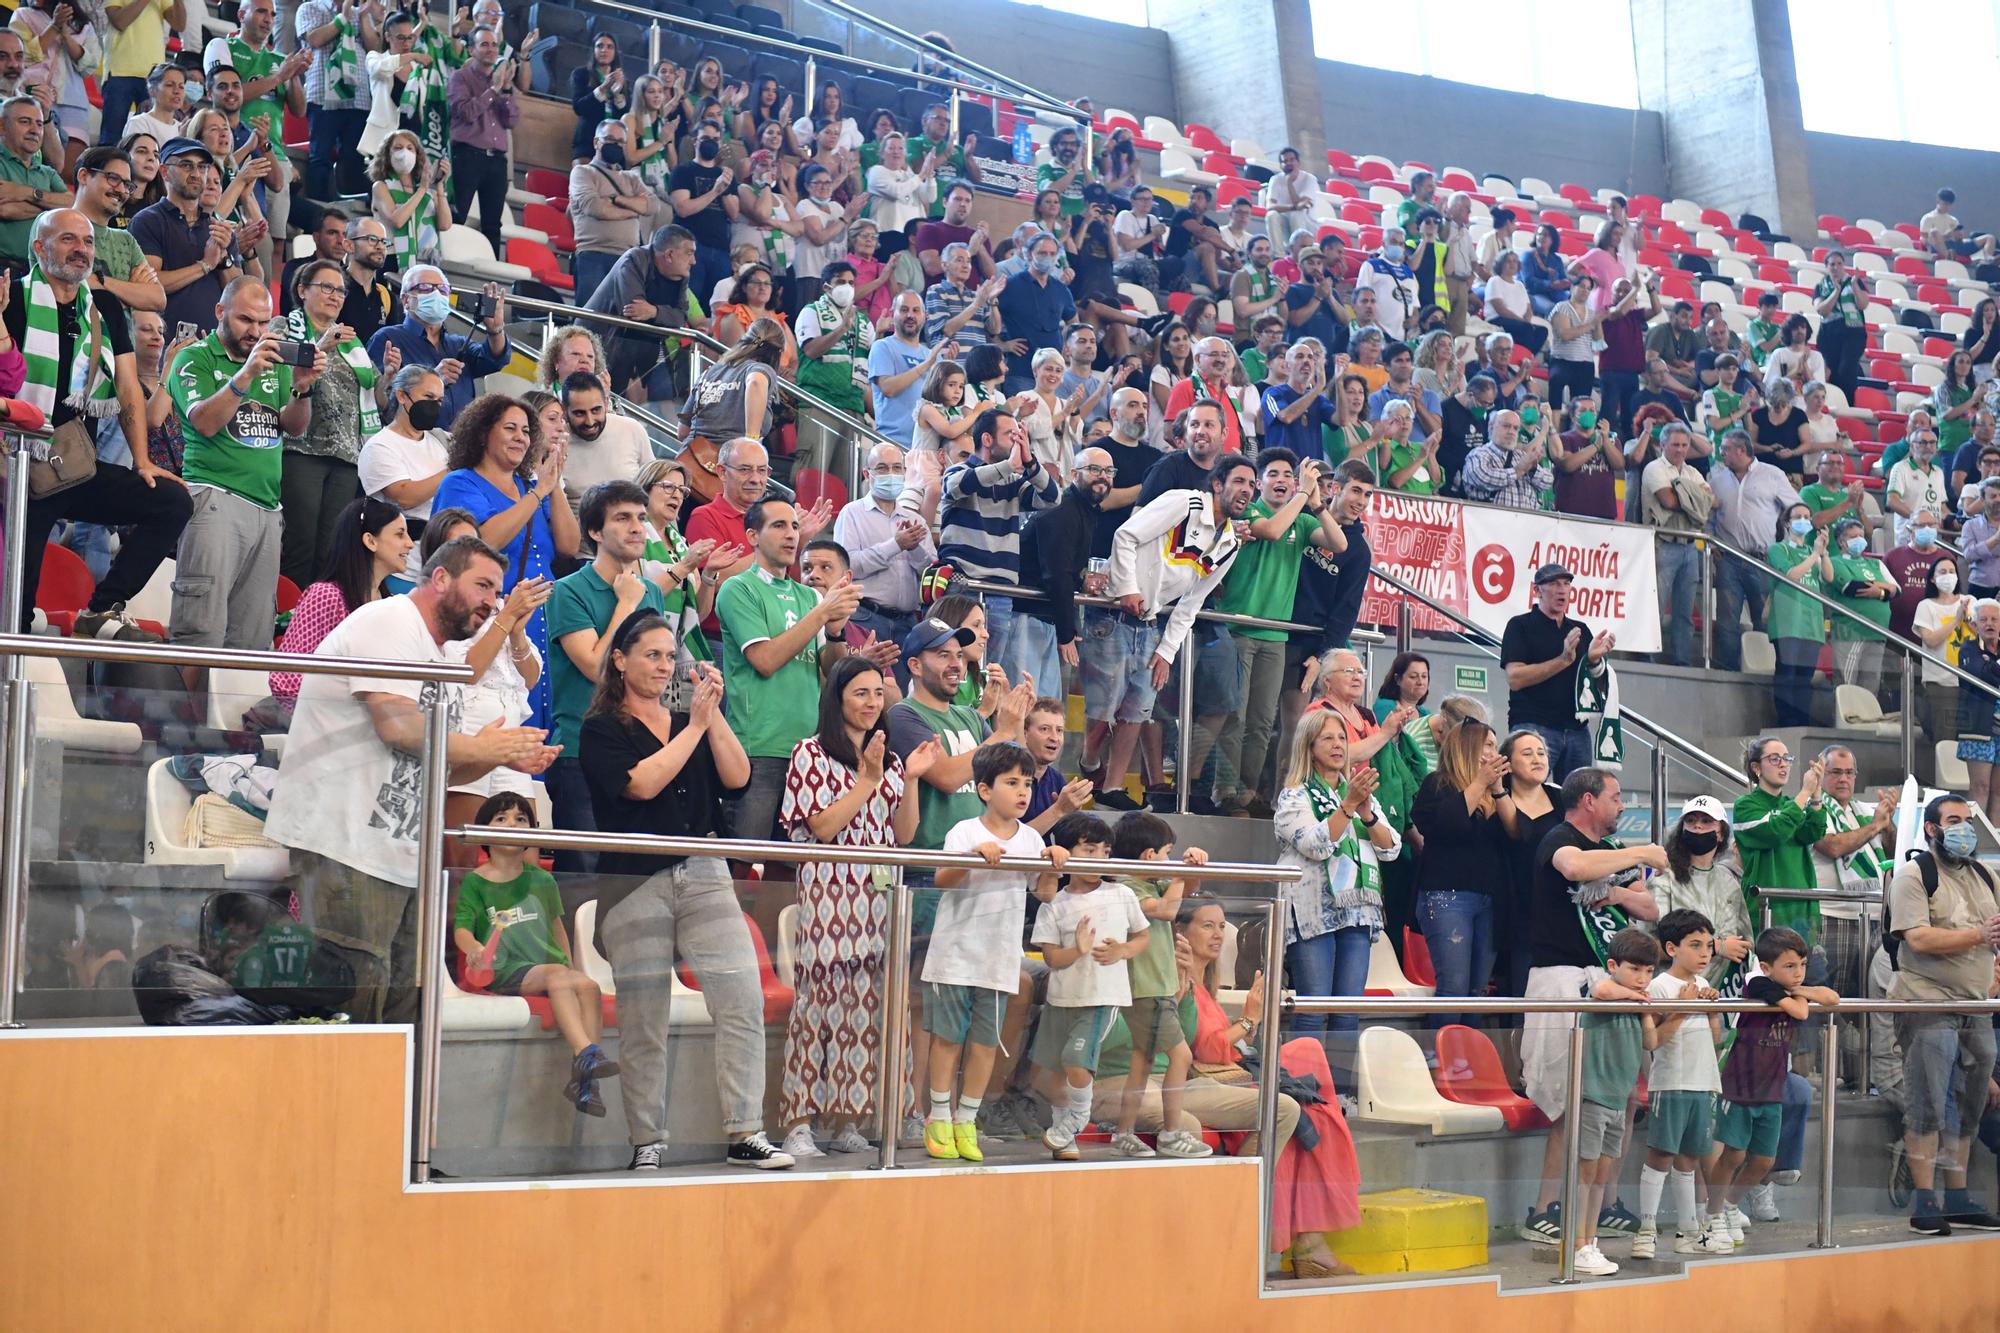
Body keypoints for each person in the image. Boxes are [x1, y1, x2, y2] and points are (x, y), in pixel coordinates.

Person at [263, 535, 558, 1023]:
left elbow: (442, 766)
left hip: (402, 856)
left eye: (497, 590)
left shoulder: (444, 657)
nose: (492, 601)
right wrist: (487, 747)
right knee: (352, 1009)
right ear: (440, 578)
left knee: (404, 1014)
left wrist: (500, 759)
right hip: (347, 847)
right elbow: (398, 728)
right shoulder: (389, 621)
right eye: (482, 585)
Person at [577, 610, 795, 1171]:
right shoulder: (601, 728)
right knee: (644, 1018)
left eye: (669, 656)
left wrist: (710, 716)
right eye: (651, 654)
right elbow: (641, 784)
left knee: (741, 997)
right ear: (620, 661)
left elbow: (738, 776)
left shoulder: (690, 717)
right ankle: (646, 1140)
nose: (663, 665)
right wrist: (694, 727)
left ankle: (744, 1131)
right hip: (634, 882)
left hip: (703, 869)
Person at [776, 655, 934, 1159]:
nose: (871, 704)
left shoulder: (886, 759)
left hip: (879, 901)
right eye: (860, 694)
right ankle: (799, 1123)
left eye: (876, 694)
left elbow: (903, 836)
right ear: (838, 699)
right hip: (829, 895)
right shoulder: (810, 753)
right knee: (818, 1009)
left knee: (869, 1012)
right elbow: (821, 828)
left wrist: (906, 779)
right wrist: (865, 781)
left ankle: (849, 1119)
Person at [8, 207, 189, 637]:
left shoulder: (103, 305)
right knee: (15, 608)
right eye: (68, 239)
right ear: (39, 247)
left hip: (76, 466)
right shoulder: (12, 297)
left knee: (172, 502)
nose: (81, 250)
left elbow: (128, 387)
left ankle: (102, 608)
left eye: (87, 242)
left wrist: (142, 461)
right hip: (19, 471)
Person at [1517, 768, 1664, 1247]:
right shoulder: (1557, 836)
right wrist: (1641, 852)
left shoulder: (1612, 857)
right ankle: (1545, 1207)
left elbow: (1650, 911)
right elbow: (1576, 870)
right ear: (1587, 801)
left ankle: (1600, 1205)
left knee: (1618, 1095)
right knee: (1569, 1101)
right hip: (1561, 978)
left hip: (1609, 979)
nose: (1622, 807)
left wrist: (1616, 890)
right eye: (1616, 798)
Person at [923, 743, 1067, 1162]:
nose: (1022, 792)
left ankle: (967, 1119)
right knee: (948, 1040)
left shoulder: (1031, 837)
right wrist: (973, 859)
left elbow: (1043, 893)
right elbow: (942, 880)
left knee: (986, 1044)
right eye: (1011, 783)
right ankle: (939, 1117)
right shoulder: (965, 831)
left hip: (999, 958)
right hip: (956, 954)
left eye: (1026, 783)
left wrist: (1052, 866)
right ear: (985, 790)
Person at [165, 274, 325, 647]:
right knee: (199, 630)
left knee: (252, 637)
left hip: (267, 509)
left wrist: (303, 388)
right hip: (214, 499)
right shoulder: (194, 357)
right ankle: (188, 707)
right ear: (220, 311)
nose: (256, 331)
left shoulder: (278, 361)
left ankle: (231, 708)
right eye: (245, 320)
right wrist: (247, 373)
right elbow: (204, 422)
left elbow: (294, 428)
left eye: (263, 322)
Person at [452, 792, 613, 1116]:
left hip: (548, 967)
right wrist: (475, 950)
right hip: (505, 969)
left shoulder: (541, 879)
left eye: (520, 819)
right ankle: (587, 1053)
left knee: (589, 986)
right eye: (501, 819)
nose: (512, 824)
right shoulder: (475, 882)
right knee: (558, 976)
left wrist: (569, 965)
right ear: (483, 831)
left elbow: (556, 925)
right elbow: (462, 929)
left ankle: (584, 1083)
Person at [1105, 454, 1254, 802]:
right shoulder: (1183, 502)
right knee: (1104, 708)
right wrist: (1127, 587)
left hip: (1148, 620)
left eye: (1251, 484)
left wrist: (1166, 652)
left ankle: (1111, 787)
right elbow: (1125, 535)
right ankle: (1090, 762)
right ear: (1217, 484)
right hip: (1110, 608)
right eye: (1239, 481)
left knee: (1138, 705)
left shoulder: (1231, 541)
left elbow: (1192, 602)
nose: (1247, 490)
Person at [433, 393, 582, 725]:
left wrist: (552, 481)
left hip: (540, 618)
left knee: (540, 718)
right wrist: (537, 492)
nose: (521, 437)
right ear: (484, 433)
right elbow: (483, 541)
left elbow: (569, 546)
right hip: (490, 617)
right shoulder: (460, 482)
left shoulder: (531, 485)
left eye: (527, 431)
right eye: (511, 428)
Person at [1888, 794, 2000, 1234]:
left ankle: (1957, 1197)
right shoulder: (1913, 876)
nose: (1965, 829)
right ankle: (1924, 1201)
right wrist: (1977, 935)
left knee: (1968, 1107)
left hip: (1975, 1003)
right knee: (1928, 1106)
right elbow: (1917, 940)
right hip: (1926, 1001)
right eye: (1954, 821)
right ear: (1931, 829)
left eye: (1969, 821)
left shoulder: (1985, 875)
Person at [544, 479, 668, 869]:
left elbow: (655, 674)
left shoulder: (653, 590)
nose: (637, 527)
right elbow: (597, 668)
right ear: (595, 532)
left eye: (641, 518)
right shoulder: (568, 591)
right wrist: (626, 604)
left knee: (635, 879)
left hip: (641, 752)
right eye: (622, 518)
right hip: (581, 751)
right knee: (584, 880)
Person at [1213, 449, 1343, 814]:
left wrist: (1316, 504)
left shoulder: (1302, 522)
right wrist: (1304, 492)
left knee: (1260, 722)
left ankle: (1245, 793)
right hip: (1239, 627)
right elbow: (1271, 531)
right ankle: (1222, 790)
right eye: (1274, 474)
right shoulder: (1249, 512)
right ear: (1259, 483)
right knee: (1234, 716)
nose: (1283, 480)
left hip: (1275, 637)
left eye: (1289, 474)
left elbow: (1340, 544)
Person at [1027, 809, 1152, 1164]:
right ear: (1065, 852)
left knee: (1075, 1062)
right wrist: (1077, 950)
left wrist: (1123, 950)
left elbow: (1142, 937)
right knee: (1045, 1073)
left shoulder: (1121, 893)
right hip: (1061, 999)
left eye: (1105, 852)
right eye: (1089, 850)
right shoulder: (1055, 903)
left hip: (1101, 997)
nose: (1099, 858)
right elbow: (1051, 958)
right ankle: (1064, 1134)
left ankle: (1078, 1121)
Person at [1703, 927, 1840, 1249]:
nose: (1798, 973)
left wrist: (1800, 988)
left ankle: (1732, 1205)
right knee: (1733, 1154)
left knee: (1764, 1160)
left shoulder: (1789, 987)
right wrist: (1803, 993)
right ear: (1766, 967)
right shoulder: (1759, 984)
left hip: (1772, 1089)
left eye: (1802, 965)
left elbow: (1831, 998)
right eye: (1789, 966)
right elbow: (1801, 1011)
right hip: (1741, 1086)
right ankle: (1713, 1213)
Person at [1276, 705, 1400, 1038]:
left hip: (1358, 913)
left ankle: (1340, 1091)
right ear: (1309, 746)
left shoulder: (1362, 795)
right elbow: (1314, 844)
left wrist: (1367, 814)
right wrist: (1347, 807)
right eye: (1327, 738)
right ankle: (1303, 1090)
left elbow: (1391, 848)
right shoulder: (1294, 796)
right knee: (1313, 1010)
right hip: (1314, 911)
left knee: (1347, 1014)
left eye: (1342, 737)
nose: (1337, 744)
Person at [278, 257, 392, 588]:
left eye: (340, 290)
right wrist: (319, 346)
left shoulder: (351, 343)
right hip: (301, 449)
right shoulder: (283, 327)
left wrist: (390, 377)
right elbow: (279, 373)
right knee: (299, 544)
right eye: (326, 287)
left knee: (331, 550)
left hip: (347, 458)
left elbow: (379, 399)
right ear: (302, 290)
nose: (335, 295)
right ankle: (284, 623)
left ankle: (316, 620)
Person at [1563, 926, 1660, 1278]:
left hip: (1619, 1101)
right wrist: (1636, 998)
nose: (1642, 978)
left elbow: (1650, 1043)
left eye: (1649, 971)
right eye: (1635, 969)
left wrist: (1645, 1008)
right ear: (1613, 964)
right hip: (1593, 1096)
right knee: (1586, 1175)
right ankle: (1576, 1246)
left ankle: (1589, 1242)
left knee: (1602, 1176)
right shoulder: (1606, 991)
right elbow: (1601, 988)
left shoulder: (1636, 1002)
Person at [1634, 911, 1726, 1257]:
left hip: (1703, 1081)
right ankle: (1646, 1229)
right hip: (1671, 1083)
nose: (1705, 953)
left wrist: (1712, 1010)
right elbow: (1652, 1041)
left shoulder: (1703, 986)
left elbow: (1715, 1039)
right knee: (1661, 1155)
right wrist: (1685, 1008)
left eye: (1708, 946)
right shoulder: (1659, 986)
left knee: (1689, 1158)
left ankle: (1689, 1231)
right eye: (1695, 945)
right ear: (1671, 948)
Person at [936, 406, 1058, 670]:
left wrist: (1030, 463)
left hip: (1001, 593)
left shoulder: (1013, 482)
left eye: (1019, 436)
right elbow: (960, 486)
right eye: (1010, 435)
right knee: (952, 667)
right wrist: (1009, 466)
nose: (1017, 442)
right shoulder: (957, 471)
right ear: (987, 440)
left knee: (988, 671)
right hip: (962, 587)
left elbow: (1052, 499)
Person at [1410, 719, 1513, 1027]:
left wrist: (1497, 792)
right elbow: (1444, 825)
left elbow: (1516, 833)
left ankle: (1467, 1059)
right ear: (1468, 748)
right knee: (1453, 986)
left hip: (1489, 899)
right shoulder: (1437, 784)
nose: (1495, 752)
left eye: (1496, 746)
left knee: (1478, 989)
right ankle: (1439, 1058)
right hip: (1447, 897)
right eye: (1488, 746)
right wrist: (1479, 783)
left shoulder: (1497, 792)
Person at [269, 494, 413, 704]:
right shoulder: (326, 596)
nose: (410, 544)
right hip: (321, 724)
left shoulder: (390, 603)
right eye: (400, 534)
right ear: (370, 541)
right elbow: (287, 680)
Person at [1011, 443, 1112, 703]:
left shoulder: (1084, 510)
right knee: (1025, 699)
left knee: (1045, 704)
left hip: (1045, 617)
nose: (1103, 476)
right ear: (1073, 474)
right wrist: (1068, 632)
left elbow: (1063, 570)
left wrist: (1081, 581)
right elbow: (1055, 573)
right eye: (1094, 469)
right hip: (1027, 614)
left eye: (1109, 471)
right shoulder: (1063, 509)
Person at [1499, 563, 1613, 780]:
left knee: (1579, 799)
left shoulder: (1579, 629)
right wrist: (1562, 660)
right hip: (1534, 724)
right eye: (1553, 583)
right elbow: (1515, 678)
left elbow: (1597, 684)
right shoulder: (1520, 626)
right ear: (1537, 590)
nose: (1562, 589)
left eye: (1566, 584)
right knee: (1526, 791)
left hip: (1577, 728)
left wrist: (1595, 661)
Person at [364, 265, 511, 431]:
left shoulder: (458, 344)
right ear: (406, 300)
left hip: (458, 444)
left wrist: (495, 329)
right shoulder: (387, 339)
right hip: (413, 441)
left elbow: (495, 359)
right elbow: (379, 401)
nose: (436, 294)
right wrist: (435, 379)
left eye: (442, 289)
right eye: (425, 288)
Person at [128, 136, 239, 336]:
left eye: (202, 167)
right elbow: (149, 286)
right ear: (164, 172)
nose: (197, 173)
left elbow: (237, 292)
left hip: (212, 344)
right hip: (162, 342)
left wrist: (223, 261)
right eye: (186, 165)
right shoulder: (147, 220)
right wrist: (204, 265)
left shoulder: (218, 226)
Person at [1811, 745, 1895, 1001]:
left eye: (1849, 772)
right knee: (1834, 997)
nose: (1843, 778)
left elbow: (1893, 855)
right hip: (1833, 916)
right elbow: (1832, 846)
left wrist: (1888, 825)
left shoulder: (1865, 812)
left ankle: (1865, 1043)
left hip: (1873, 917)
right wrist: (1876, 826)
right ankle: (1828, 1042)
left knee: (1873, 995)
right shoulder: (1812, 809)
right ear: (1820, 774)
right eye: (1835, 772)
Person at [834, 440, 932, 657]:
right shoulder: (852, 513)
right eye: (882, 468)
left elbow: (931, 575)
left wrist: (914, 548)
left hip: (907, 622)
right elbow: (848, 567)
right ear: (867, 475)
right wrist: (895, 545)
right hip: (865, 617)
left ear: (905, 473)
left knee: (899, 689)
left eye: (897, 468)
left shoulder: (916, 520)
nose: (891, 473)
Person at [1709, 431, 1795, 671]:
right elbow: (1709, 516)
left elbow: (1796, 507)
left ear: (1741, 450)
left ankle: (1766, 669)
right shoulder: (1716, 479)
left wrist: (1786, 545)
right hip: (1728, 557)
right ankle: (1728, 670)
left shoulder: (1772, 474)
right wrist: (1713, 542)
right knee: (1727, 621)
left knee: (1764, 620)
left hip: (1762, 559)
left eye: (1726, 448)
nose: (1721, 453)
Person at [1650, 796, 1753, 991]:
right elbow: (1649, 947)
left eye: (1706, 821)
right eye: (1691, 820)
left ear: (1721, 833)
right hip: (1673, 992)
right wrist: (1716, 947)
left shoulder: (1729, 881)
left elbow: (1745, 942)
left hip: (1722, 993)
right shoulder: (1664, 877)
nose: (1697, 826)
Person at [358, 363, 447, 566]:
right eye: (429, 398)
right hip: (402, 563)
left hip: (441, 555)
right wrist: (452, 470)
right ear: (401, 396)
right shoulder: (380, 446)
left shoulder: (440, 440)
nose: (435, 406)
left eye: (440, 401)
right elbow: (405, 496)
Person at [569, 119, 660, 305]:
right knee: (589, 318)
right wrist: (634, 209)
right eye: (610, 139)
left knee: (621, 324)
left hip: (627, 260)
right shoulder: (583, 173)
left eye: (620, 142)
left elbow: (652, 206)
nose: (615, 145)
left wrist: (616, 200)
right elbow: (595, 208)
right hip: (593, 255)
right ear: (596, 142)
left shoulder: (631, 178)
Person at [445, 27, 517, 257]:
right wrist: (494, 89)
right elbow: (466, 112)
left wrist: (504, 90)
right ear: (471, 50)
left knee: (493, 224)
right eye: (484, 44)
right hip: (467, 155)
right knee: (458, 214)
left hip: (496, 161)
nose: (491, 49)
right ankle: (447, 261)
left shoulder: (500, 81)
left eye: (494, 44)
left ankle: (492, 273)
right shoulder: (460, 77)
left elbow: (512, 120)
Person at [296, 0, 375, 201]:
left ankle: (352, 208)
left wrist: (364, 15)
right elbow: (314, 39)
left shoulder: (360, 12)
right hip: (323, 94)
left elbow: (374, 47)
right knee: (320, 156)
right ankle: (320, 208)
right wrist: (343, 17)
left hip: (358, 97)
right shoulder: (310, 8)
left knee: (354, 156)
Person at [1766, 500, 1832, 726]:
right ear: (1786, 523)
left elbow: (1829, 577)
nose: (1804, 521)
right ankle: (1785, 719)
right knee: (1787, 672)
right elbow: (1792, 575)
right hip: (1787, 621)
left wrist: (1823, 553)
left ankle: (1802, 718)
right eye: (1798, 517)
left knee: (1805, 676)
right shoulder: (1778, 549)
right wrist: (1814, 554)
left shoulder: (1811, 551)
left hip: (1811, 621)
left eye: (1807, 517)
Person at [97, 0, 185, 147]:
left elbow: (179, 25)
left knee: (152, 140)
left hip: (154, 76)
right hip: (120, 70)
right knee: (111, 140)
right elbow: (119, 21)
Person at [1827, 515, 1897, 698]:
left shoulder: (1876, 563)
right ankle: (1843, 723)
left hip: (1878, 631)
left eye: (1861, 535)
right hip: (1850, 631)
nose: (1860, 540)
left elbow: (1896, 589)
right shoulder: (1835, 562)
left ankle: (1865, 724)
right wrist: (1882, 588)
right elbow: (1850, 587)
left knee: (1870, 686)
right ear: (1841, 541)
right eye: (1853, 536)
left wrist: (1880, 592)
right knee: (1846, 684)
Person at [369, 129, 450, 274]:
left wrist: (440, 185)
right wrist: (422, 190)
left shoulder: (428, 192)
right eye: (398, 148)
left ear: (417, 155)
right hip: (392, 258)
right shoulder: (381, 186)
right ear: (388, 154)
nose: (404, 152)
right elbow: (397, 221)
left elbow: (445, 224)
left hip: (425, 262)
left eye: (410, 148)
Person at [1462, 408, 1552, 510]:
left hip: (1526, 523)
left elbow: (1547, 483)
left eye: (1515, 428)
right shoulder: (1478, 454)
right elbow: (1483, 477)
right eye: (1506, 426)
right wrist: (1519, 470)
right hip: (1490, 523)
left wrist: (1532, 469)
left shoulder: (1520, 455)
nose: (1511, 432)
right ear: (1491, 427)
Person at [1813, 249, 1871, 399]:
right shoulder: (1821, 287)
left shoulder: (1855, 281)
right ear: (1826, 267)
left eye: (1839, 264)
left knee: (1847, 368)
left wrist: (1855, 286)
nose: (1836, 267)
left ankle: (1848, 403)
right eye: (1832, 264)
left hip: (1853, 331)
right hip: (1829, 332)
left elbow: (1863, 304)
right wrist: (1836, 291)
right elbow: (1821, 310)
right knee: (1831, 371)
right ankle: (1834, 401)